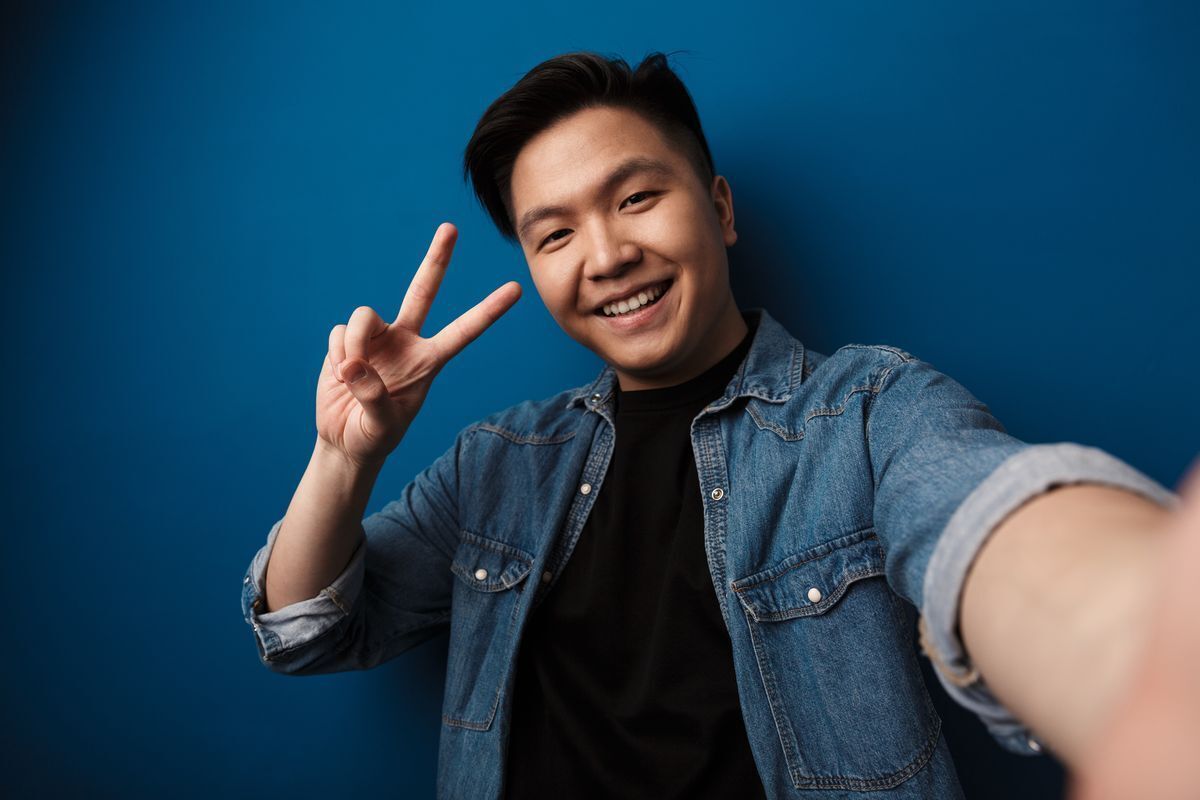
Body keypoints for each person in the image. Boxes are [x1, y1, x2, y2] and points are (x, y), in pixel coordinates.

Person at [240, 51, 1197, 799]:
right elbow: (305, 632)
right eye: (556, 234)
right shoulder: (499, 462)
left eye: (637, 198)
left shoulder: (868, 410)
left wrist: (1145, 649)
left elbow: (996, 528)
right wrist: (344, 455)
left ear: (721, 208)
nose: (608, 255)